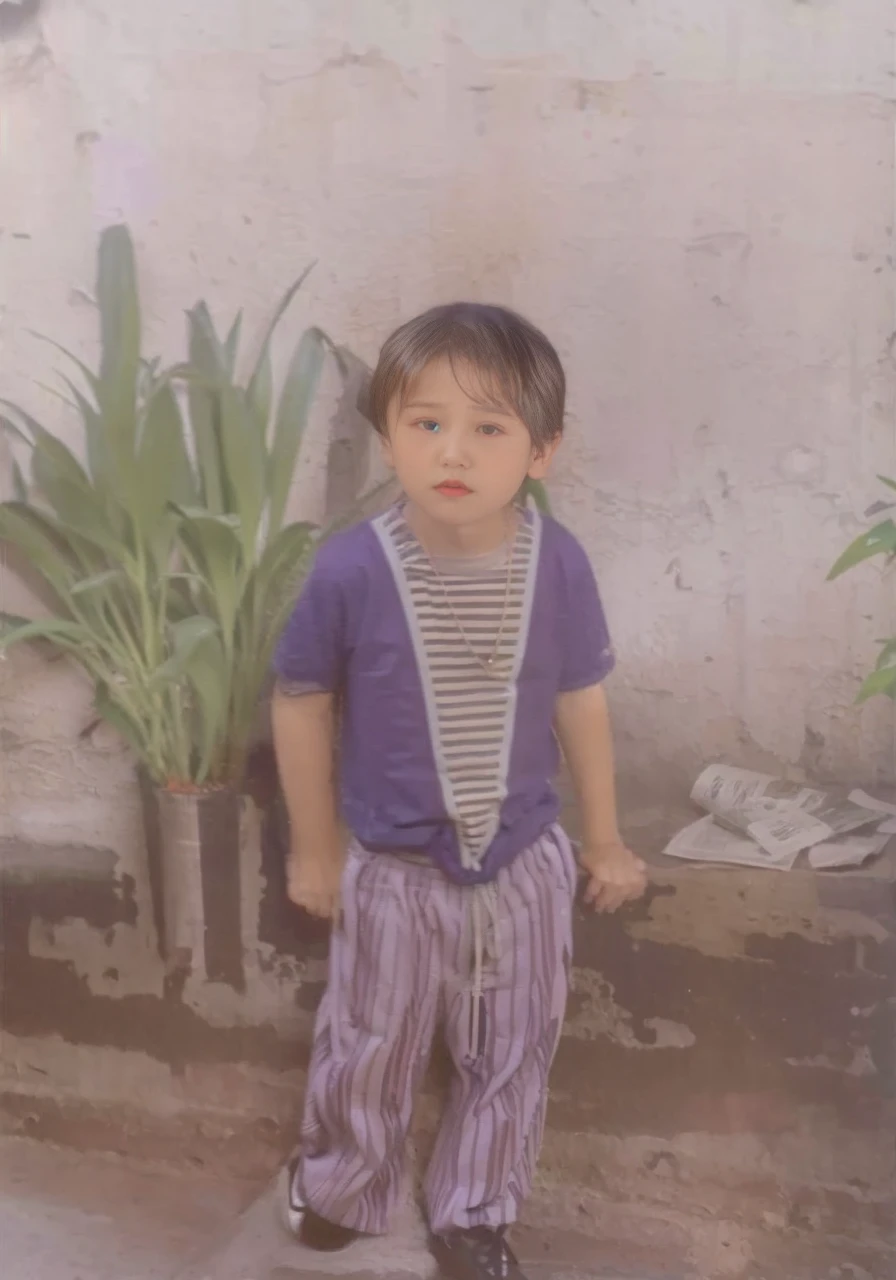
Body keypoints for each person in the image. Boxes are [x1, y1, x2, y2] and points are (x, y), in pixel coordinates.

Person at [271, 302, 647, 1280]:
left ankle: (473, 1207)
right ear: (387, 434)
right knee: (370, 1040)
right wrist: (313, 849)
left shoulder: (555, 564)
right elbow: (302, 700)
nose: (453, 449)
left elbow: (579, 697)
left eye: (488, 427)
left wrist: (603, 838)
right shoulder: (352, 567)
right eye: (425, 421)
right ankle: (343, 1182)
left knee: (512, 1045)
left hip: (521, 861)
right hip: (393, 870)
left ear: (540, 450)